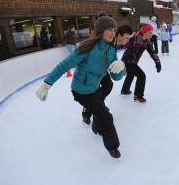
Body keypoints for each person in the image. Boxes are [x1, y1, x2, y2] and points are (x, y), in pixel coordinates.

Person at [36, 16, 125, 158]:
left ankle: (96, 127)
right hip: (81, 90)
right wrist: (46, 85)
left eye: (114, 30)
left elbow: (116, 77)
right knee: (106, 116)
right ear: (101, 30)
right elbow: (63, 66)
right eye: (110, 29)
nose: (113, 33)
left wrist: (121, 68)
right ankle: (112, 146)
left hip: (94, 88)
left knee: (100, 109)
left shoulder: (111, 51)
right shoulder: (86, 48)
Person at [82, 24, 133, 127]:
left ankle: (98, 106)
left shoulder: (113, 43)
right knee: (97, 89)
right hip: (91, 70)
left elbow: (110, 60)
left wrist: (121, 68)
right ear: (119, 35)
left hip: (101, 70)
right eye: (127, 37)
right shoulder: (109, 40)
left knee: (108, 85)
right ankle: (87, 111)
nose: (128, 40)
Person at [121, 24, 162, 103]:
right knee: (141, 75)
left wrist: (158, 62)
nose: (151, 34)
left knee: (130, 75)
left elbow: (152, 53)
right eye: (150, 32)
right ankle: (138, 96)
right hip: (127, 60)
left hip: (134, 61)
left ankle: (124, 90)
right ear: (144, 32)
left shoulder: (147, 42)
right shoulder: (134, 38)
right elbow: (123, 44)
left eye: (152, 32)